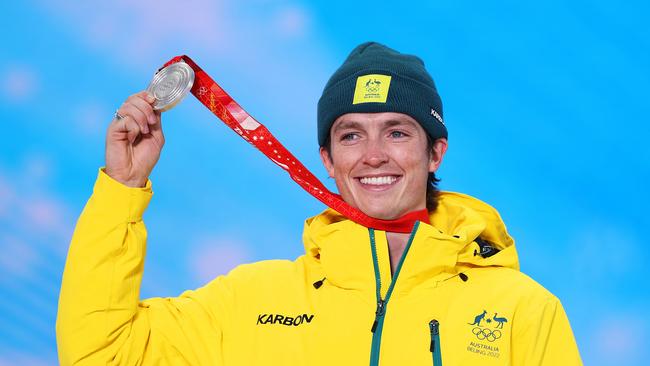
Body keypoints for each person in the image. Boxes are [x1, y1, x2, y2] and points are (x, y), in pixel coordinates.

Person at [56, 42, 583, 365]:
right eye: (350, 136)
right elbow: (100, 353)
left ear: (435, 152)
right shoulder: (253, 302)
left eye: (397, 132)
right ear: (327, 160)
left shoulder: (521, 310)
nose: (373, 156)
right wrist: (120, 190)